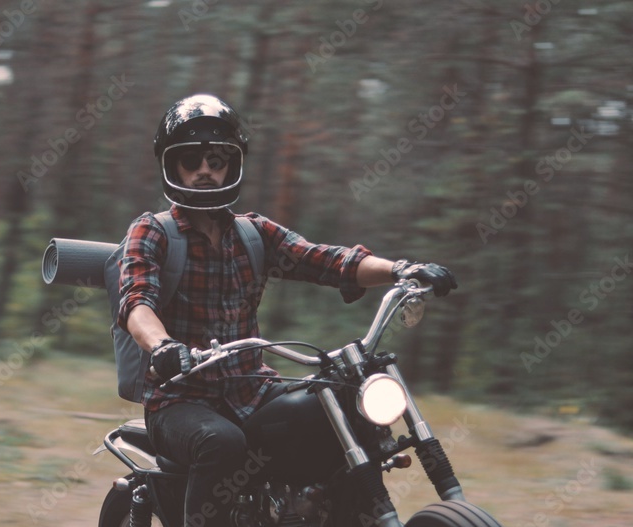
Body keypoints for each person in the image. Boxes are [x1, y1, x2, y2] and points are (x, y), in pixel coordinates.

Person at [116, 94, 457, 526]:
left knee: (346, 402)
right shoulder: (152, 231)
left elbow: (328, 260)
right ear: (173, 166)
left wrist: (402, 270)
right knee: (222, 443)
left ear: (232, 165)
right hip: (180, 400)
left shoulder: (253, 233)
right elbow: (136, 301)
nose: (205, 170)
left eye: (217, 159)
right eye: (191, 161)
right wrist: (163, 346)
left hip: (253, 389)